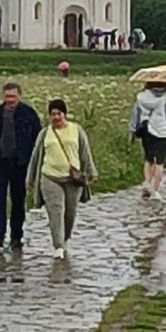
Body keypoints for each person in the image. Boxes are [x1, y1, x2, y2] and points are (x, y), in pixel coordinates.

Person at [26, 99, 98, 259]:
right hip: (50, 177)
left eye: (59, 113)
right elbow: (36, 156)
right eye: (53, 114)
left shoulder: (76, 130)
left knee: (70, 212)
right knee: (56, 211)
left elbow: (85, 153)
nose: (56, 117)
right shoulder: (45, 133)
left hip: (73, 179)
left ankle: (66, 238)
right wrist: (30, 178)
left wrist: (92, 172)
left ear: (65, 114)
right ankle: (58, 246)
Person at [0, 82, 43, 253]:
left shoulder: (29, 114)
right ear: (3, 96)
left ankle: (16, 235)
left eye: (13, 96)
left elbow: (39, 141)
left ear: (19, 96)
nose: (10, 99)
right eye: (7, 96)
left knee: (18, 200)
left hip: (21, 164)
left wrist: (37, 166)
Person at [130, 81, 166, 200]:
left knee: (148, 159)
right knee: (159, 162)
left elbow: (135, 115)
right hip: (161, 132)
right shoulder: (165, 99)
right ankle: (154, 189)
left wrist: (132, 132)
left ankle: (147, 184)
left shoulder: (140, 98)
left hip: (146, 131)